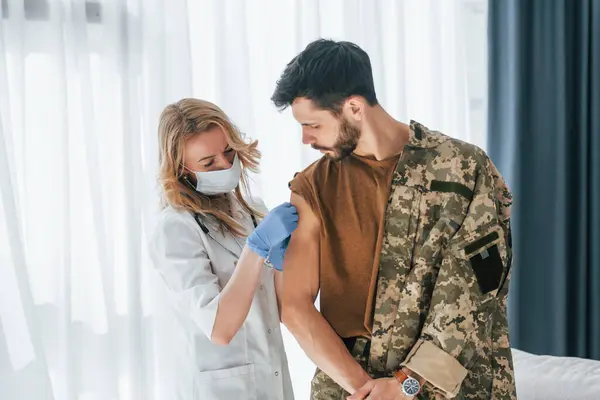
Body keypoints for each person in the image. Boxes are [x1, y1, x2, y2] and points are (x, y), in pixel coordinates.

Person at [272, 39, 516, 400]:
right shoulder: (313, 186)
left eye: (313, 125)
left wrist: (406, 386)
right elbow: (294, 306)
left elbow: (475, 291)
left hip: (454, 385)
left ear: (353, 107)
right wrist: (367, 391)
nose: (306, 138)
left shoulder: (461, 168)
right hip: (348, 385)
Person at [150, 98, 296, 400]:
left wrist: (283, 262)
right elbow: (219, 329)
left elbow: (281, 309)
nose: (226, 165)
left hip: (272, 378)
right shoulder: (175, 228)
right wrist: (255, 251)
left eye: (229, 152)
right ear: (181, 169)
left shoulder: (253, 211)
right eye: (208, 163)